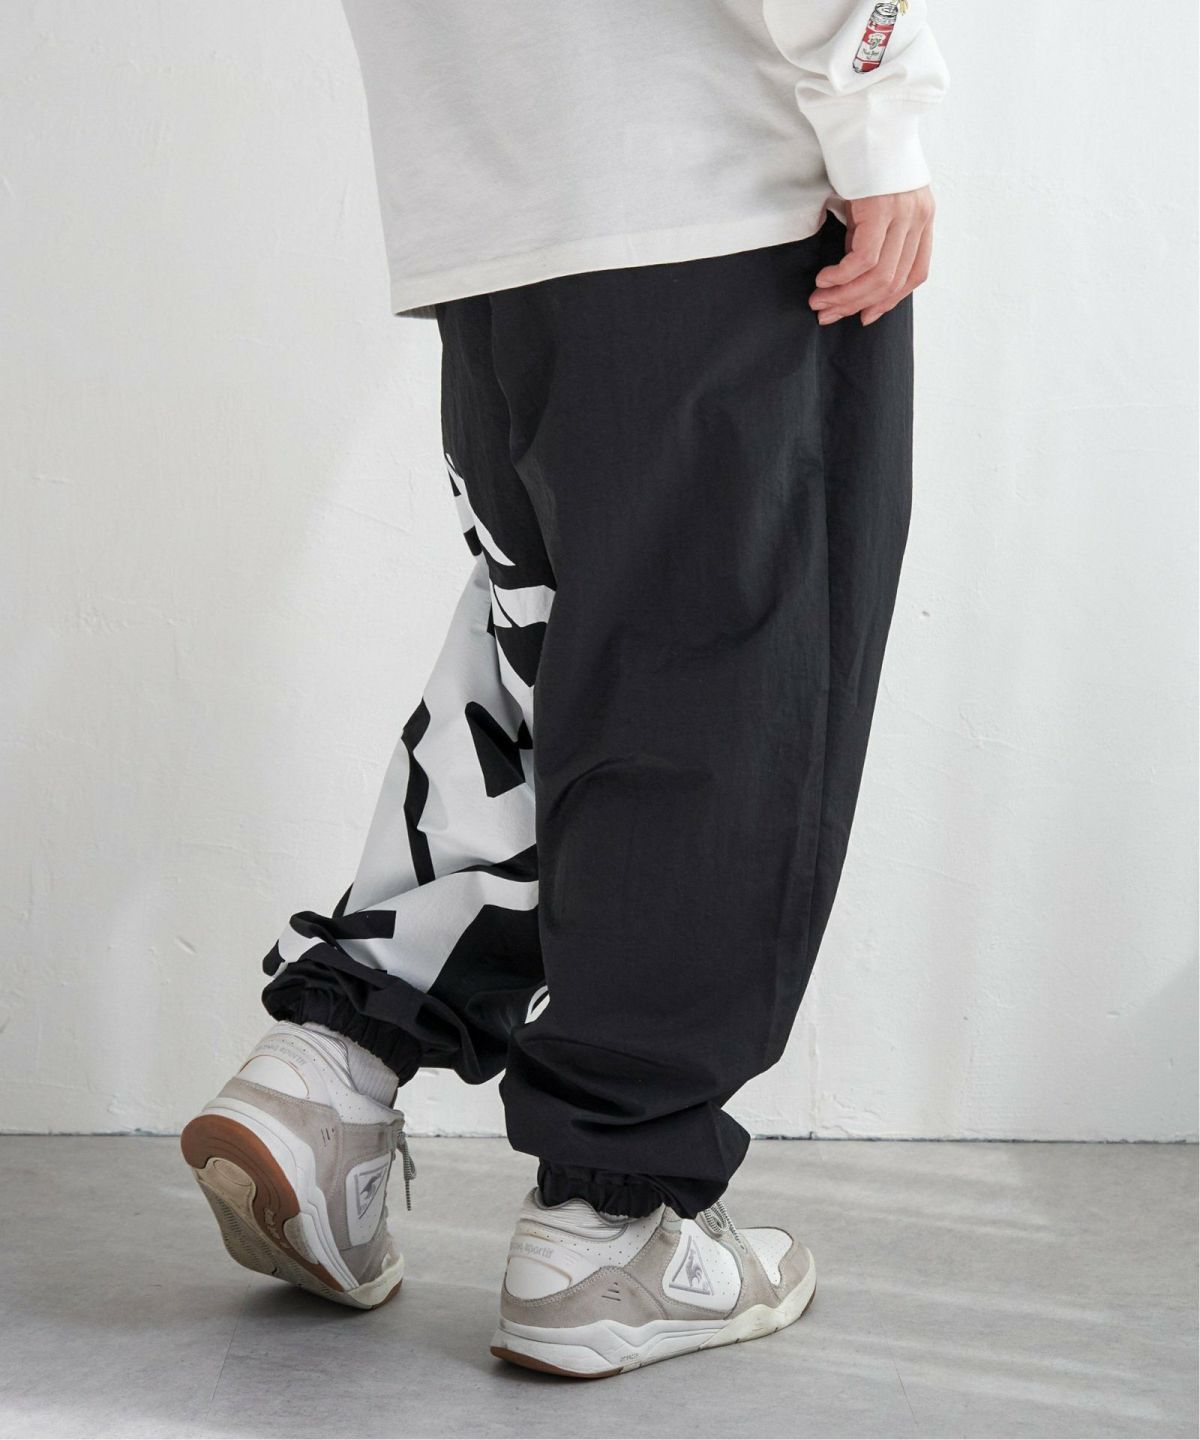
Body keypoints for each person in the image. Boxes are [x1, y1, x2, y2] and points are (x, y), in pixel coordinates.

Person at [181, 0, 947, 1378]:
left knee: (554, 656)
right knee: (731, 705)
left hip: (486, 210)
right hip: (713, 193)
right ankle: (612, 1220)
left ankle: (336, 1070)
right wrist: (874, 98)